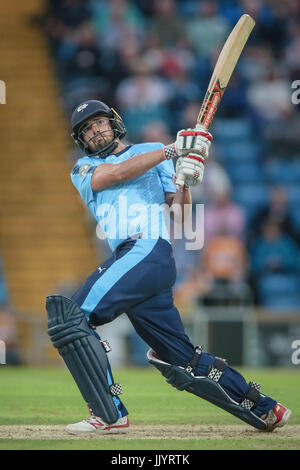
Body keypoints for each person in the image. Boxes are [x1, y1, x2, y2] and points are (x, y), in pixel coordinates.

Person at [46, 99, 291, 435]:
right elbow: (116, 173)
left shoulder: (151, 150)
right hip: (139, 263)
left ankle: (109, 414)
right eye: (87, 129)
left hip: (146, 250)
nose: (95, 131)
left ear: (113, 122)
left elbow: (179, 215)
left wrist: (185, 181)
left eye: (99, 122)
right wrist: (173, 151)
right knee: (180, 358)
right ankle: (265, 407)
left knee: (71, 318)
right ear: (81, 139)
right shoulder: (83, 168)